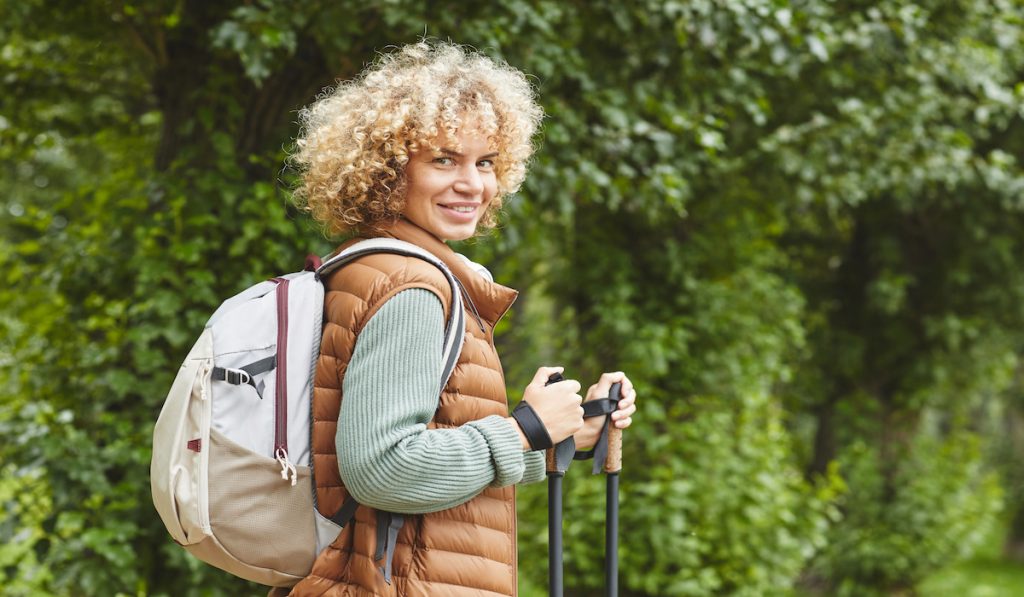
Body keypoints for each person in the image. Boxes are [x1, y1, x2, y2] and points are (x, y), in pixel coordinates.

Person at [286, 41, 638, 596]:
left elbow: (441, 463)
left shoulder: (367, 267)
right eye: (443, 159)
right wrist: (522, 428)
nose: (472, 184)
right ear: (387, 171)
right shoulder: (411, 288)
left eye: (486, 162)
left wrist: (566, 433)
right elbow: (383, 470)